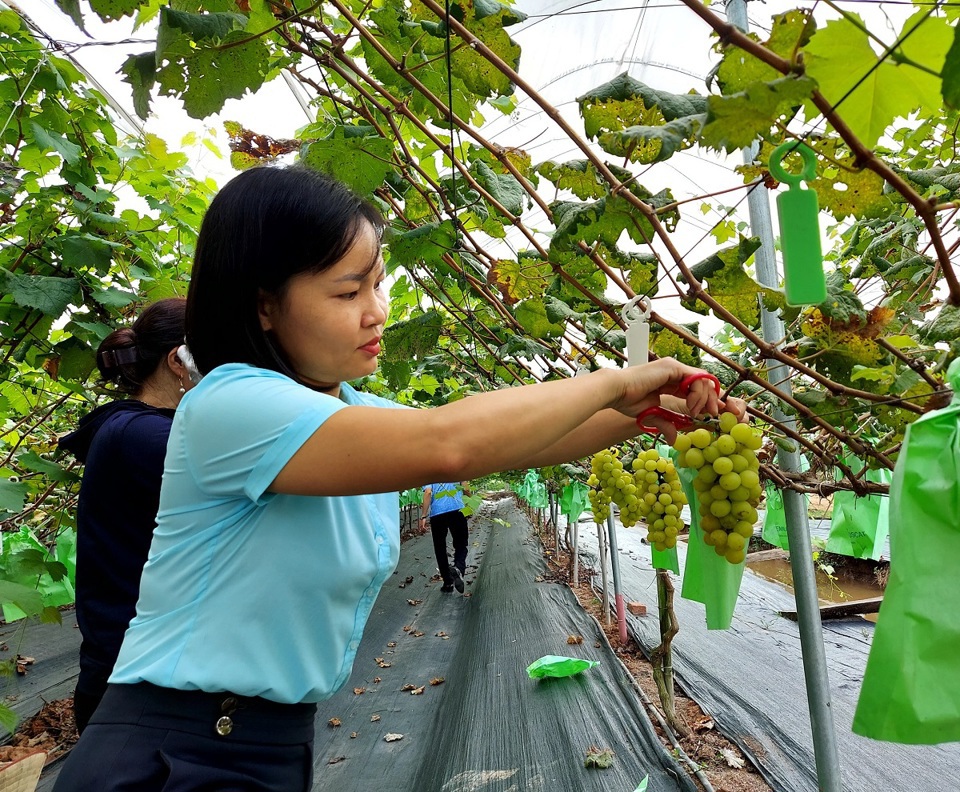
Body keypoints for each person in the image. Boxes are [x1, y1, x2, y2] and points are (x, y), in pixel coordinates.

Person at [53, 165, 741, 792]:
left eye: (377, 283)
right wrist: (622, 380)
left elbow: (515, 445)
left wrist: (651, 416)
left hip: (266, 743)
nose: (377, 309)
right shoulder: (233, 404)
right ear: (264, 305)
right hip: (180, 751)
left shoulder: (348, 410)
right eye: (349, 290)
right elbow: (451, 442)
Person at [58, 298, 194, 734]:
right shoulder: (149, 437)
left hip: (134, 676)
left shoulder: (133, 429)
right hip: (136, 691)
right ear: (179, 361)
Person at [421, 481, 470, 592]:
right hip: (457, 509)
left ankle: (448, 583)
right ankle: (458, 568)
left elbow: (428, 492)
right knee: (461, 544)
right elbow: (466, 488)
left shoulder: (429, 471)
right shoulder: (456, 465)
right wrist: (470, 501)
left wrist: (423, 516)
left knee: (440, 548)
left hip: (437, 513)